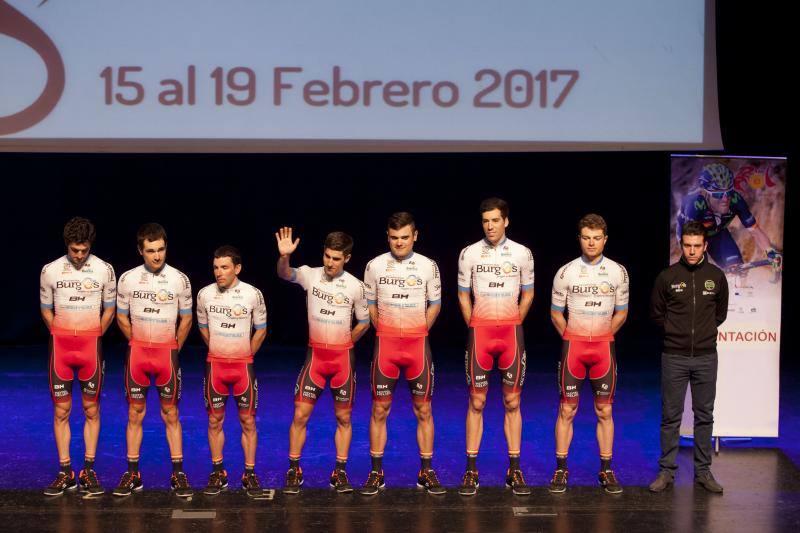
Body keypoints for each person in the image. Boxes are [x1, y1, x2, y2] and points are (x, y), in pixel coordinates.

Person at [275, 227, 370, 494]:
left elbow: (364, 322)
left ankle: (339, 472)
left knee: (344, 417)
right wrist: (284, 257)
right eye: (327, 256)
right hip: (315, 357)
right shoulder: (310, 274)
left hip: (342, 360)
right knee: (300, 414)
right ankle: (294, 469)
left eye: (336, 259)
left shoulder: (356, 286)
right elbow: (284, 273)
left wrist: (344, 341)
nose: (329, 263)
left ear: (347, 258)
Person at [360, 212, 444, 495]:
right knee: (379, 409)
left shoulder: (428, 266)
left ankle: (426, 471)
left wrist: (418, 330)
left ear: (415, 236)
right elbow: (370, 304)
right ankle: (376, 472)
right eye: (394, 238)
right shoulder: (374, 266)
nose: (399, 243)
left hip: (417, 347)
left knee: (424, 409)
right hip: (386, 347)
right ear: (387, 236)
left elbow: (435, 305)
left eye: (405, 237)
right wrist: (384, 329)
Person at [457, 197, 534, 496]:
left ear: (506, 221)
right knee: (476, 403)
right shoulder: (469, 253)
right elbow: (463, 295)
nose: (490, 226)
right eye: (486, 221)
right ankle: (471, 470)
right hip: (480, 335)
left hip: (511, 336)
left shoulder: (522, 254)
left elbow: (528, 294)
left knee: (512, 402)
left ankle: (514, 469)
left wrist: (514, 322)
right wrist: (474, 324)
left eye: (495, 220)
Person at [548, 214, 630, 494]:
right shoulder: (566, 272)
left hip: (603, 349)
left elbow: (622, 312)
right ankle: (560, 469)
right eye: (586, 238)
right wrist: (573, 337)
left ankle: (606, 470)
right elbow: (556, 313)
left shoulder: (618, 272)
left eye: (597, 238)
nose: (591, 243)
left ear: (605, 239)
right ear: (579, 239)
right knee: (567, 409)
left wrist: (605, 334)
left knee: (604, 410)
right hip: (574, 348)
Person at [112, 223, 194, 498]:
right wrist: (136, 342)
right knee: (135, 413)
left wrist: (173, 349)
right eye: (150, 251)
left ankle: (178, 473)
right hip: (137, 356)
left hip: (166, 356)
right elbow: (121, 316)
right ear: (140, 251)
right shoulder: (127, 279)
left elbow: (187, 318)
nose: (157, 256)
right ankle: (133, 473)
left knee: (171, 413)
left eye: (161, 250)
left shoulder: (179, 280)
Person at [649, 220, 729, 494]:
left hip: (706, 356)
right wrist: (676, 331)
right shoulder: (667, 277)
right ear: (681, 246)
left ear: (705, 246)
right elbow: (657, 313)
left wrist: (702, 334)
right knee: (671, 416)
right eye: (687, 246)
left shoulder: (717, 277)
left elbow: (720, 314)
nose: (692, 251)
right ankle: (666, 472)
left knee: (704, 416)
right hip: (674, 356)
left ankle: (703, 472)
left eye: (697, 246)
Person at [40, 217, 116, 497]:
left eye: (84, 250)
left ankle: (88, 469)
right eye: (74, 250)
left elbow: (109, 309)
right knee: (61, 411)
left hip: (90, 349)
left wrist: (94, 335)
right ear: (67, 246)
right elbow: (46, 309)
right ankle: (65, 472)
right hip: (61, 349)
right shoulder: (49, 271)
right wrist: (61, 334)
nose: (79, 256)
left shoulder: (104, 270)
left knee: (91, 409)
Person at [197, 246, 268, 498]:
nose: (219, 272)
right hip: (215, 366)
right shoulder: (204, 294)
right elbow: (203, 328)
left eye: (224, 267)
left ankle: (249, 473)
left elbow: (261, 329)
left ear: (237, 268)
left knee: (248, 421)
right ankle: (218, 472)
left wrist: (245, 354)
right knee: (215, 420)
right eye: (216, 267)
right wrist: (218, 349)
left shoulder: (252, 294)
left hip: (243, 369)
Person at [676, 162, 782, 272]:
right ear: (704, 193)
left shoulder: (736, 200)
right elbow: (691, 241)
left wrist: (771, 251)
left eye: (729, 191)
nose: (725, 198)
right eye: (718, 194)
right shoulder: (694, 204)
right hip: (692, 235)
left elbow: (755, 230)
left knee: (738, 271)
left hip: (718, 233)